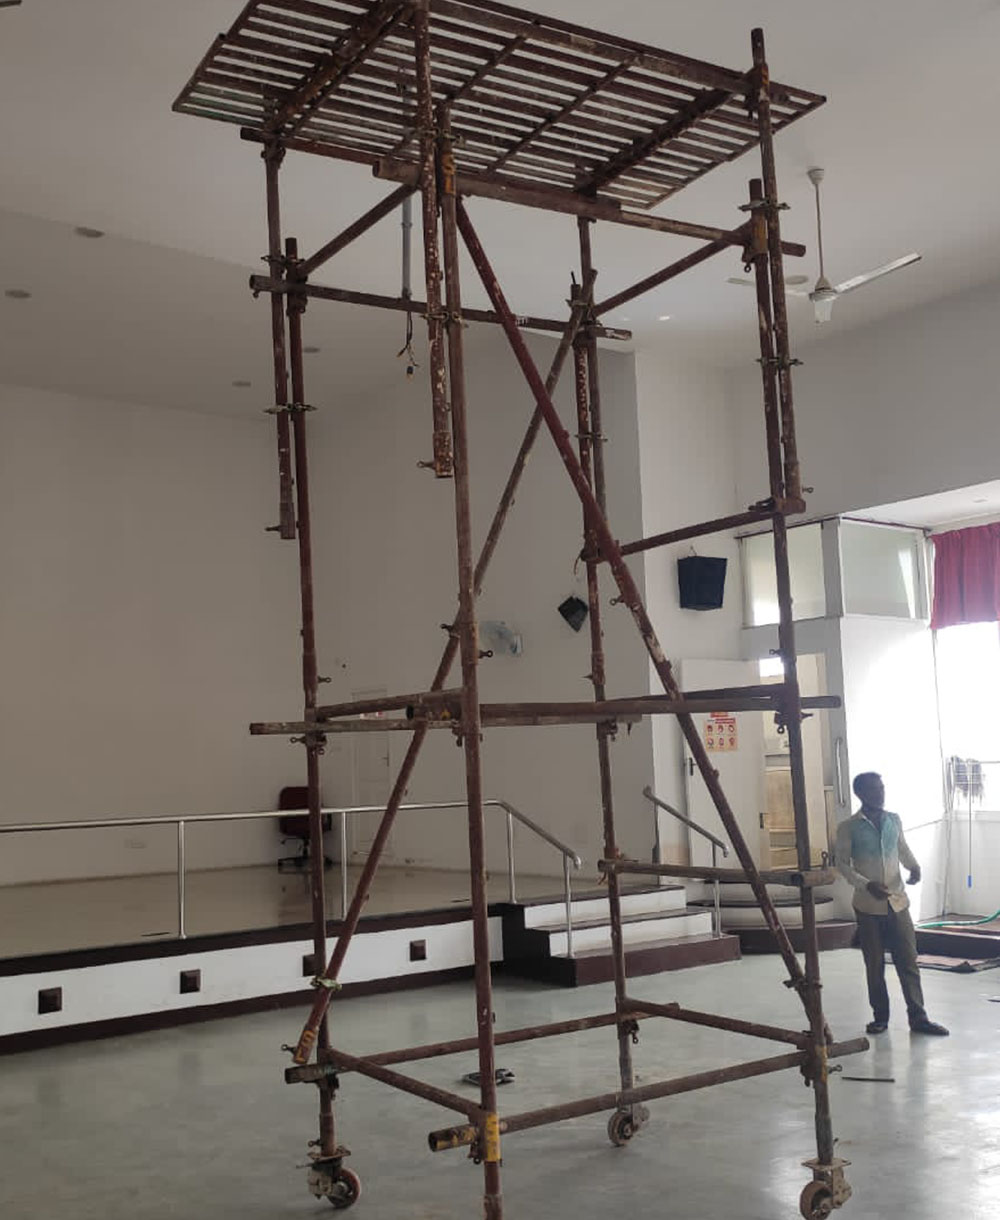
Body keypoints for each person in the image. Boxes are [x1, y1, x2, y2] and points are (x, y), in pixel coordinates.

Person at [835, 772, 949, 1036]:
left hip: (897, 902)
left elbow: (902, 848)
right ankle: (880, 1017)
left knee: (908, 961)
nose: (880, 793)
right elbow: (842, 864)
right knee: (874, 964)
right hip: (868, 905)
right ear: (860, 794)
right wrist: (866, 884)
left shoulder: (893, 820)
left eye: (882, 788)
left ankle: (919, 1018)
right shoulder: (849, 827)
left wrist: (914, 867)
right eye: (873, 789)